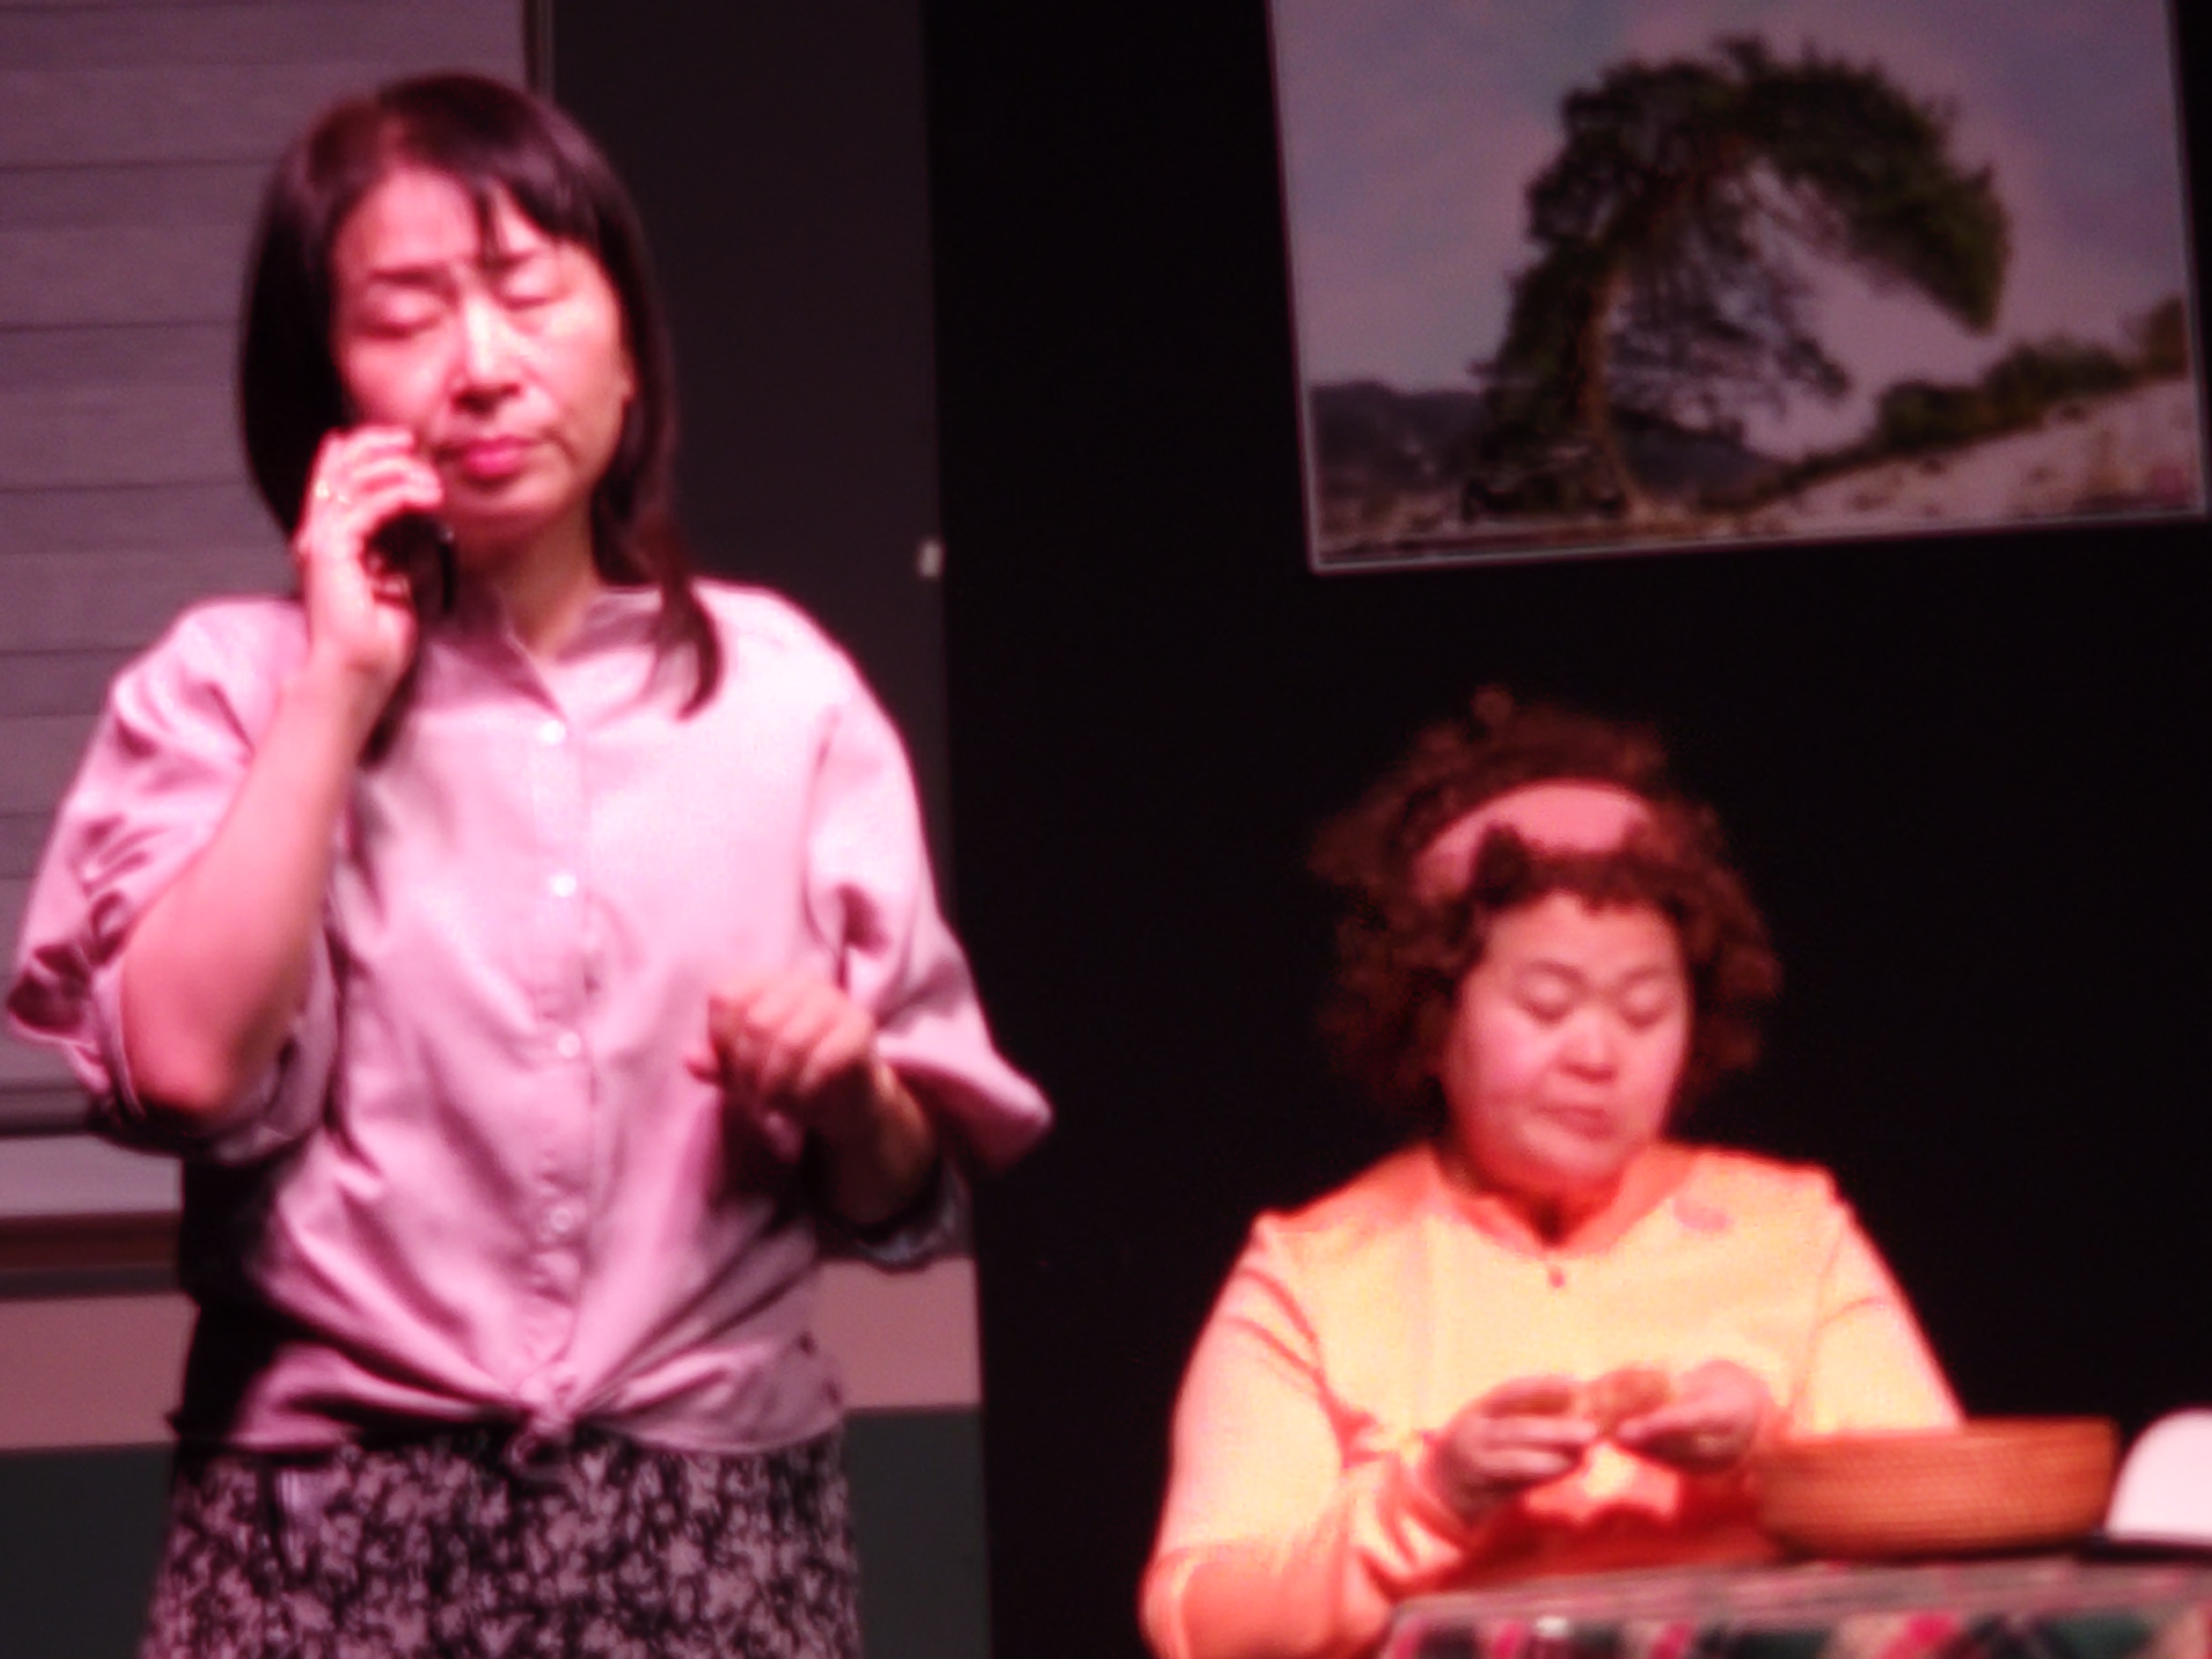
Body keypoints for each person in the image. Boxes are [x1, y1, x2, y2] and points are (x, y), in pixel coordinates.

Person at [7, 72, 1047, 1659]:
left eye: (531, 292)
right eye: (407, 313)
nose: (483, 366)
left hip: (713, 1524)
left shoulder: (785, 691)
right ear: (322, 382)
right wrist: (338, 688)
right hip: (322, 1529)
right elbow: (189, 1073)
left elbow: (904, 1195)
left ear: (628, 354)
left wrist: (853, 1092)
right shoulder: (223, 684)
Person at [1140, 691, 1957, 1659]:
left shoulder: (1790, 1232)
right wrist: (1430, 1501)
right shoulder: (1317, 1272)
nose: (1598, 1056)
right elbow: (1199, 1622)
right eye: (1547, 1005)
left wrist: (1766, 1453)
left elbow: (1953, 1524)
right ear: (1432, 1017)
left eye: (1644, 1010)